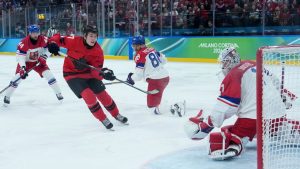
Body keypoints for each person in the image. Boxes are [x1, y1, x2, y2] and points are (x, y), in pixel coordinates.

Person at [183, 47, 298, 160]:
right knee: (274, 127)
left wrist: (207, 124)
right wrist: (284, 96)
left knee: (226, 137)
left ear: (230, 62)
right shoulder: (252, 63)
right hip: (278, 113)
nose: (223, 66)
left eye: (224, 62)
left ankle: (233, 145)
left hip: (254, 118)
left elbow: (228, 106)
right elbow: (274, 80)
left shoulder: (233, 75)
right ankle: (289, 129)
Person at [48, 25, 128, 130]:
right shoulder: (74, 41)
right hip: (72, 74)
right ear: (85, 36)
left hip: (88, 74)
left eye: (95, 36)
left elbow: (96, 71)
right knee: (88, 95)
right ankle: (103, 118)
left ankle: (116, 114)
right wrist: (53, 43)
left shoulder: (98, 51)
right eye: (91, 36)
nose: (93, 39)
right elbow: (57, 38)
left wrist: (103, 73)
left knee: (102, 93)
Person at [3, 24, 63, 106]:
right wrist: (23, 68)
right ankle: (7, 96)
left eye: (37, 32)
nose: (36, 34)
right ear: (30, 33)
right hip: (26, 63)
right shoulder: (23, 43)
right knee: (17, 78)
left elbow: (49, 49)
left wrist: (44, 57)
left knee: (49, 75)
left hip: (38, 61)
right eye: (33, 32)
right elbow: (20, 57)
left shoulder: (43, 39)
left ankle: (58, 93)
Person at [126, 35, 169, 115]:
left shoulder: (139, 55)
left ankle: (171, 108)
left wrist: (131, 78)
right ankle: (163, 105)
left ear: (141, 45)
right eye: (133, 45)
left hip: (156, 81)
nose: (134, 47)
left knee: (151, 106)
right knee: (156, 99)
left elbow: (138, 76)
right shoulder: (151, 49)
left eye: (135, 45)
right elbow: (164, 60)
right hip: (165, 77)